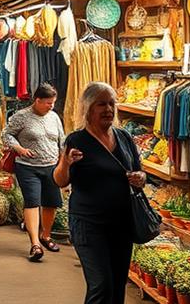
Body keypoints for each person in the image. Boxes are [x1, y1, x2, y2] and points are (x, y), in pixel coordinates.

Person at [53, 82, 146, 304]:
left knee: (116, 285)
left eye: (111, 104)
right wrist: (65, 163)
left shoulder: (123, 137)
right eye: (101, 104)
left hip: (122, 224)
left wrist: (141, 178)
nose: (108, 109)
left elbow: (138, 170)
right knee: (101, 285)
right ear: (88, 108)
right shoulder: (77, 140)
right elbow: (60, 180)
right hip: (89, 225)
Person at [1, 83, 64, 261]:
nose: (51, 106)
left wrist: (63, 159)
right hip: (28, 167)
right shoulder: (21, 117)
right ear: (37, 100)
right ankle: (35, 244)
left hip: (51, 166)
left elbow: (61, 139)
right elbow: (6, 135)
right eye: (48, 103)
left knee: (51, 202)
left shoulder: (54, 117)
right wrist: (19, 148)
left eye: (53, 103)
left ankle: (46, 236)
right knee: (32, 202)